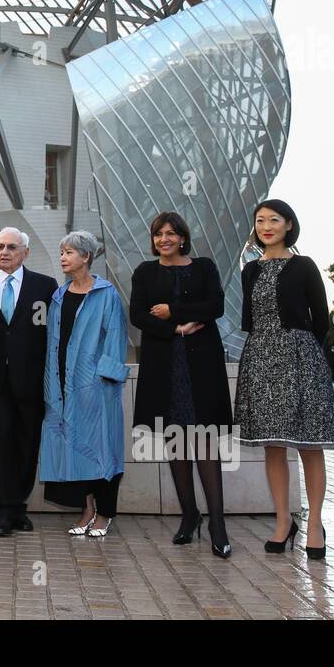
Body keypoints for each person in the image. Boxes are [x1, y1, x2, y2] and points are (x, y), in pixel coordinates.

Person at [234, 199, 334, 561]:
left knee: (310, 444)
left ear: (289, 225)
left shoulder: (304, 266)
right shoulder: (249, 270)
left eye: (274, 220)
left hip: (300, 356)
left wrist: (304, 353)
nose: (266, 226)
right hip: (261, 357)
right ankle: (283, 521)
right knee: (272, 445)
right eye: (260, 220)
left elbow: (322, 321)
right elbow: (248, 319)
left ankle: (314, 524)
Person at [130, 212, 233, 558]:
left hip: (200, 365)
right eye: (158, 234)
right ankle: (190, 516)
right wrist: (175, 328)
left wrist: (172, 310)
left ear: (183, 238)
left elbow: (215, 305)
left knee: (205, 441)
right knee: (175, 441)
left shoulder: (204, 267)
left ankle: (217, 523)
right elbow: (138, 315)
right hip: (164, 365)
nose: (164, 239)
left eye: (171, 233)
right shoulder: (145, 272)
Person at [39, 230, 128, 539]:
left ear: (86, 256)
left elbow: (116, 338)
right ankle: (87, 510)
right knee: (74, 447)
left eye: (69, 252)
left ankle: (104, 514)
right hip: (63, 382)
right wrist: (51, 383)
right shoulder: (58, 296)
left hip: (97, 384)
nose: (63, 257)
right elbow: (52, 341)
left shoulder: (106, 294)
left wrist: (102, 380)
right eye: (62, 251)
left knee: (103, 446)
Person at [0, 228, 57, 537]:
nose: (5, 252)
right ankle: (3, 510)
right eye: (0, 246)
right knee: (3, 439)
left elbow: (52, 334)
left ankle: (18, 506)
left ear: (26, 252)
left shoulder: (45, 286)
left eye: (12, 247)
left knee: (28, 441)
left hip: (32, 380)